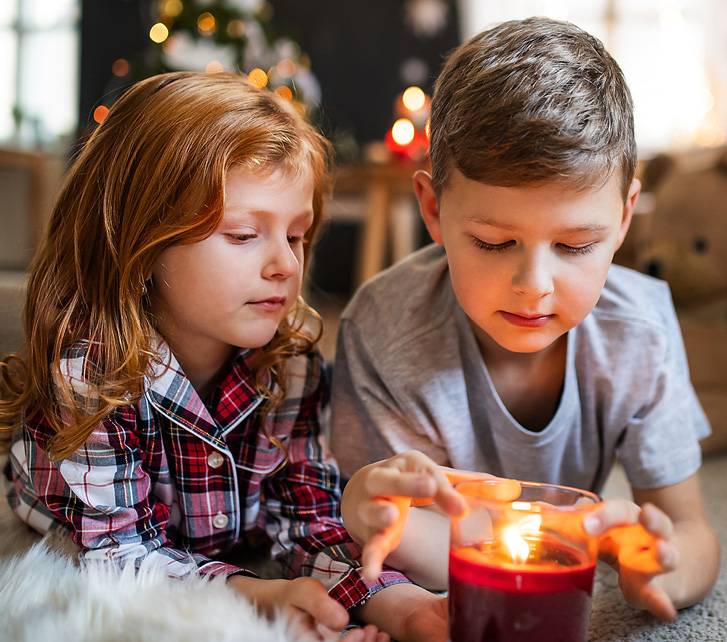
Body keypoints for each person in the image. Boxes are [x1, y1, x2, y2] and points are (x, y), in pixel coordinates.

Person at [0, 70, 441, 642]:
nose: (284, 264)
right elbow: (121, 557)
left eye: (297, 235)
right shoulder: (90, 377)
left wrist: (403, 609)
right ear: (140, 239)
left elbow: (308, 518)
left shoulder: (292, 366)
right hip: (83, 522)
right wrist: (266, 598)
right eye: (241, 235)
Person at [331, 16, 721, 626]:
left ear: (623, 221)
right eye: (492, 242)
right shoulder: (384, 334)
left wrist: (656, 564)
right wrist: (374, 517)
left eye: (574, 247)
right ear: (433, 209)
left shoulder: (638, 329)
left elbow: (692, 529)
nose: (534, 286)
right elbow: (396, 548)